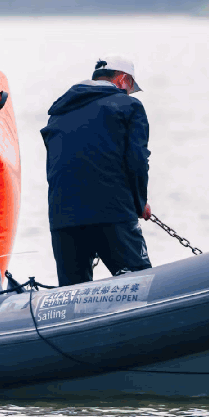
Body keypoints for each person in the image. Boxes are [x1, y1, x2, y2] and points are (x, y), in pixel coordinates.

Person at [40, 54, 152, 286]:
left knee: (72, 291)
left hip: (63, 217)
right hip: (112, 212)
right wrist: (139, 203)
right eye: (130, 87)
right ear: (123, 79)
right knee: (140, 284)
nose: (129, 93)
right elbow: (137, 161)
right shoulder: (129, 106)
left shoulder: (58, 114)